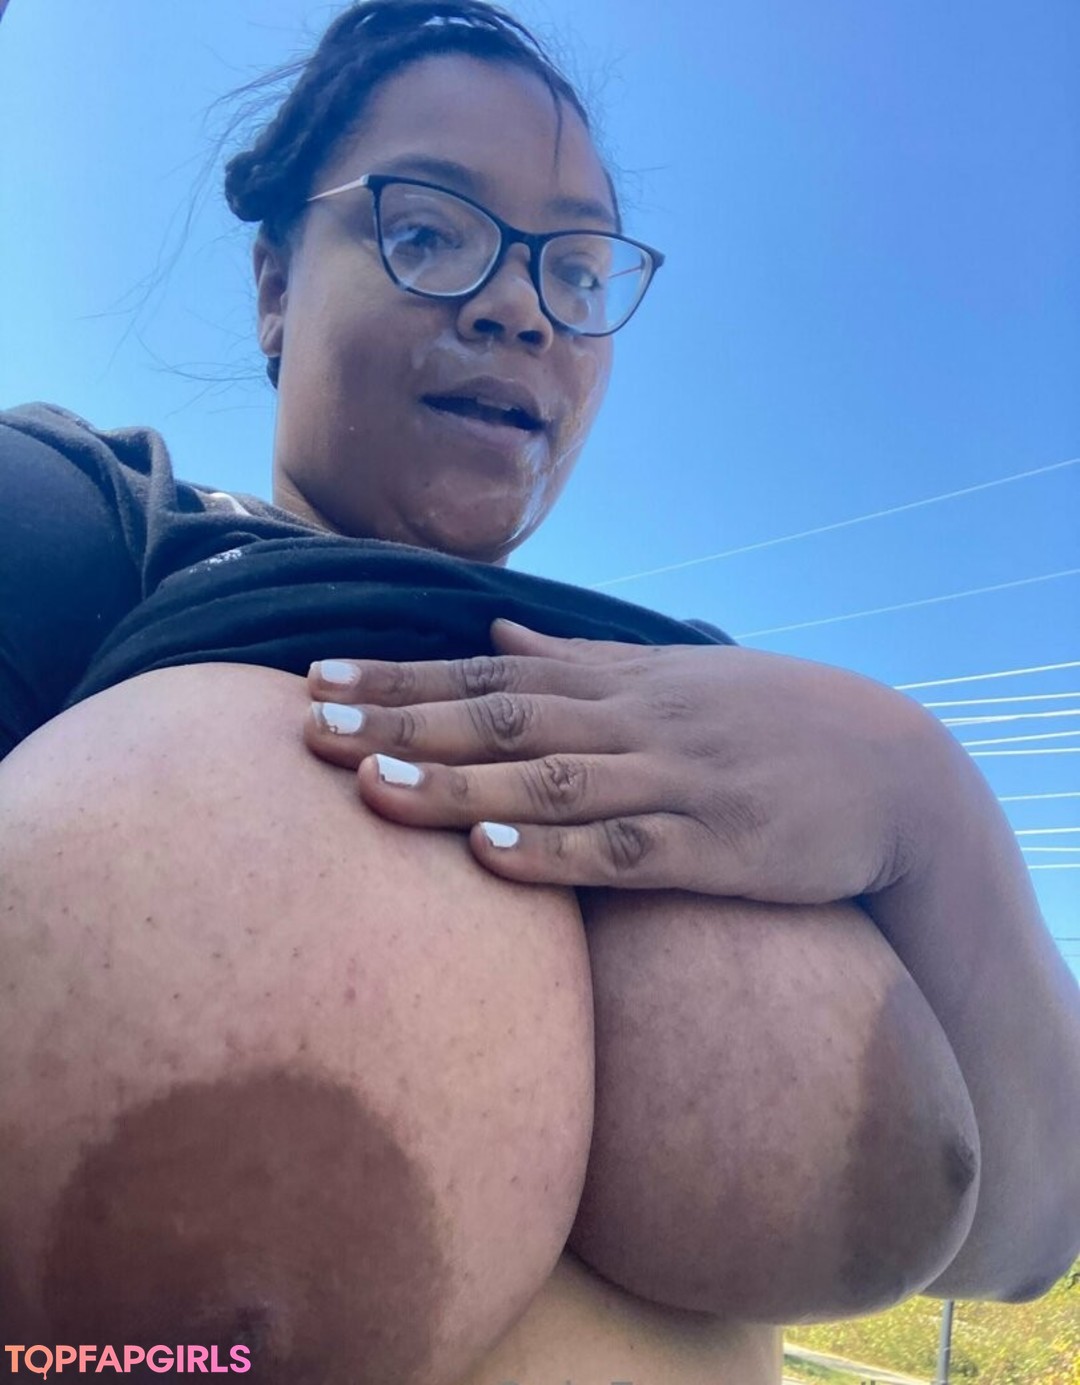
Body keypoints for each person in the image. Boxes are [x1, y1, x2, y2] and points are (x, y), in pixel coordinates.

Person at [1, 3, 1077, 1382]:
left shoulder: (711, 712)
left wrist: (925, 799)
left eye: (575, 270)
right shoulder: (85, 520)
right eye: (429, 230)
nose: (520, 307)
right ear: (274, 286)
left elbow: (1030, 1232)